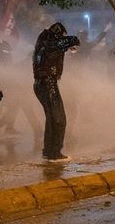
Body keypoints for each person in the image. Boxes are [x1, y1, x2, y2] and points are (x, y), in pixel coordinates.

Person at [31, 22, 80, 162]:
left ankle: (49, 151)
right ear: (59, 34)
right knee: (59, 119)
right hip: (48, 84)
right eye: (62, 35)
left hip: (41, 84)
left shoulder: (43, 41)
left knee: (51, 118)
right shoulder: (52, 42)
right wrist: (67, 42)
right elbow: (74, 40)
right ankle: (55, 153)